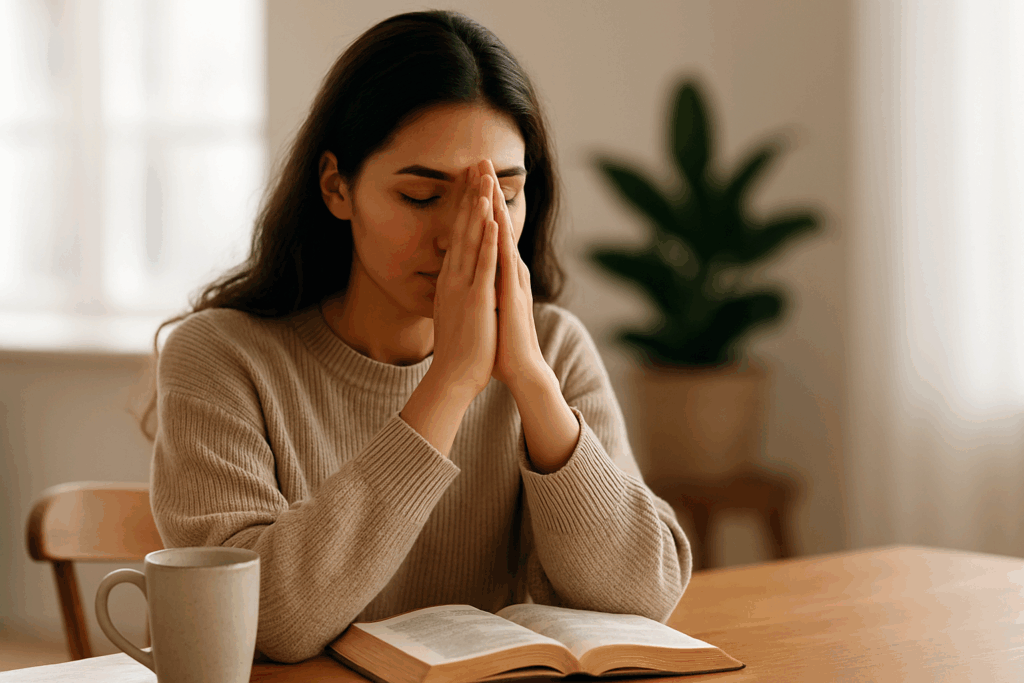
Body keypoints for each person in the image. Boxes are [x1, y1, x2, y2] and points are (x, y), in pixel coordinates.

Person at [145, 9, 692, 664]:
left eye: (503, 195)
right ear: (336, 186)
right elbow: (268, 622)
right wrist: (451, 382)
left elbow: (648, 594)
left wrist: (531, 382)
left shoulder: (553, 348)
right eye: (421, 196)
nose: (461, 232)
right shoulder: (220, 356)